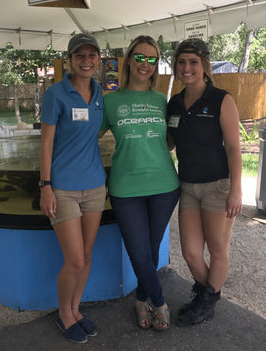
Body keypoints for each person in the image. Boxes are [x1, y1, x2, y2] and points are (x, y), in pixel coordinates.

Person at [99, 35, 180, 332]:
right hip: (125, 189)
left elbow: (170, 141)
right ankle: (159, 302)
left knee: (151, 249)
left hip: (164, 186)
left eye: (151, 59)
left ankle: (141, 298)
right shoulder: (110, 102)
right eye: (140, 57)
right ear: (129, 59)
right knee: (138, 252)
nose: (145, 64)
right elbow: (88, 138)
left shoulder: (161, 101)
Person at [167, 38, 242, 326]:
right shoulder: (174, 103)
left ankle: (206, 301)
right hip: (187, 186)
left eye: (193, 62)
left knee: (218, 249)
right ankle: (206, 295)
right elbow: (169, 144)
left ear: (205, 66)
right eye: (181, 62)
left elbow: (234, 148)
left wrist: (236, 190)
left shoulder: (221, 99)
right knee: (190, 252)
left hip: (217, 186)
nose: (187, 68)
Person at [39, 33, 107, 344]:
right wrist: (46, 186)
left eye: (92, 55)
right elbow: (47, 143)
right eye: (80, 55)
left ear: (99, 60)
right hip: (63, 188)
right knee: (75, 260)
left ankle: (75, 309)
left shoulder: (99, 94)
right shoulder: (56, 94)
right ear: (70, 60)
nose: (86, 60)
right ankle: (64, 314)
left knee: (88, 256)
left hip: (95, 186)